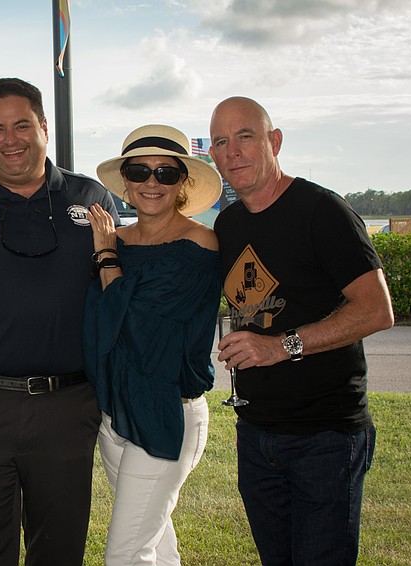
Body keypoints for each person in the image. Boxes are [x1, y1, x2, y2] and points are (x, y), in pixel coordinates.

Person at [0, 77, 119, 565]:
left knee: (59, 551)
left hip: (69, 409)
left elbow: (119, 286)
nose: (10, 139)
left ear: (44, 127)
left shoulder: (91, 197)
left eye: (22, 125)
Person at [210, 96, 394, 565]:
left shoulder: (322, 210)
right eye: (220, 142)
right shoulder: (228, 224)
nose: (233, 152)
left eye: (245, 137)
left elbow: (376, 310)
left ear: (274, 141)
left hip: (324, 436)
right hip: (255, 433)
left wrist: (281, 347)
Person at [83, 125, 223, 565]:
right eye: (140, 171)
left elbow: (140, 321)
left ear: (183, 182)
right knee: (157, 542)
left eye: (165, 173)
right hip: (116, 412)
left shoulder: (197, 242)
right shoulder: (117, 237)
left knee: (125, 554)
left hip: (166, 412)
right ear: (125, 180)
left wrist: (105, 257)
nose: (151, 182)